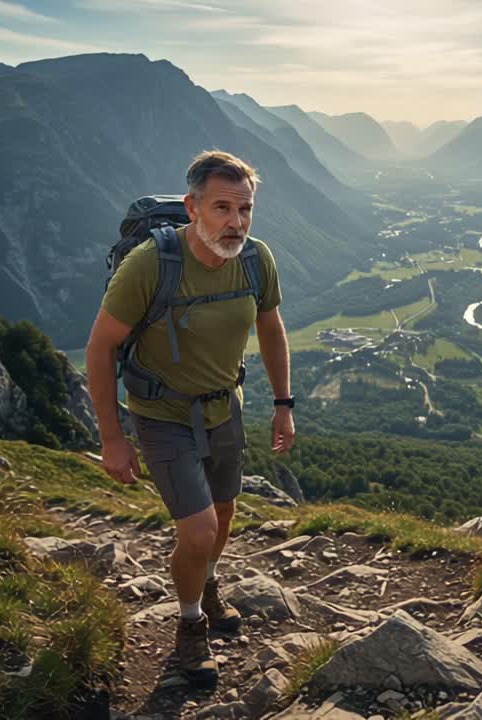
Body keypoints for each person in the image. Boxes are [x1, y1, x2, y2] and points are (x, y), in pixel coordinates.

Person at [85, 150, 295, 686]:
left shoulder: (255, 259)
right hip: (162, 414)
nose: (236, 222)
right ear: (191, 207)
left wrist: (282, 404)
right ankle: (189, 629)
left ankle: (203, 582)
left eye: (245, 209)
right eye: (222, 208)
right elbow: (99, 348)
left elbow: (270, 329)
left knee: (221, 519)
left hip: (225, 407)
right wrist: (112, 438)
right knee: (199, 530)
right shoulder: (151, 265)